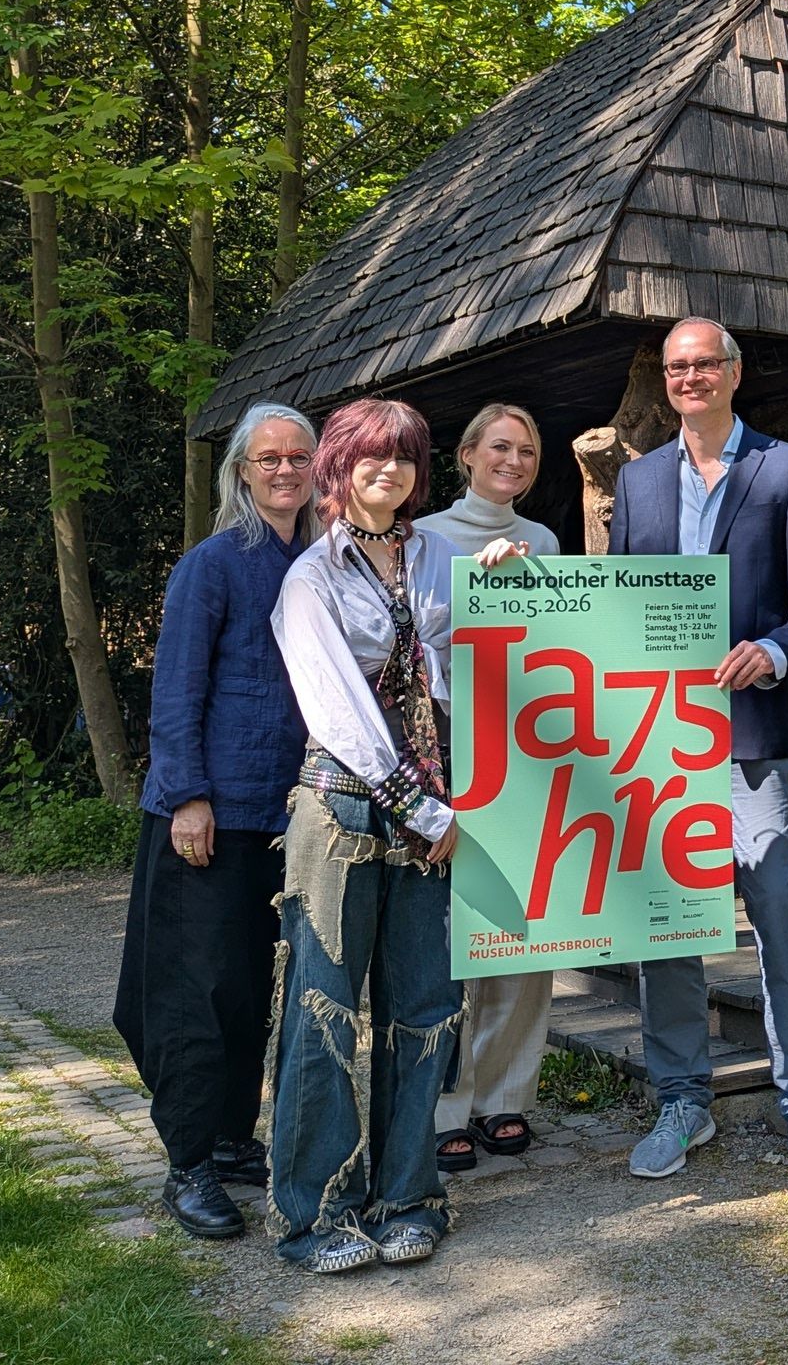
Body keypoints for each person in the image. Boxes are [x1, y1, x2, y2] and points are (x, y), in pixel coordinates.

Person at [609, 317, 788, 1189]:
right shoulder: (635, 483)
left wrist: (777, 651)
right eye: (676, 368)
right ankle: (683, 1098)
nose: (690, 378)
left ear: (734, 373)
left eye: (704, 363)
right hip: (657, 740)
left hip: (749, 735)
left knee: (781, 914)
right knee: (667, 921)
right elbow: (612, 603)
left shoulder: (787, 469)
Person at [268, 397, 464, 1275]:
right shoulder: (310, 577)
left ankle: (410, 1197)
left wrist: (509, 586)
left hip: (440, 813)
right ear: (338, 471)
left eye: (405, 458)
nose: (388, 471)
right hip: (346, 809)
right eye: (370, 458)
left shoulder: (439, 559)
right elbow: (337, 711)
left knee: (423, 1008)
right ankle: (317, 1213)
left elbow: (481, 668)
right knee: (325, 1009)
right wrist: (425, 810)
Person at [115, 402, 318, 1241]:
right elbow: (177, 689)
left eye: (297, 457)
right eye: (267, 458)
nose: (283, 470)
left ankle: (234, 1136)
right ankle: (188, 1163)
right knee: (195, 994)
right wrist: (188, 794)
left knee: (250, 992)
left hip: (288, 811)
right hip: (208, 814)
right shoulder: (213, 564)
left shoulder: (315, 562)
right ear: (242, 471)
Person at [419, 402, 561, 1174]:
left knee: (520, 936)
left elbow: (554, 641)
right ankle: (443, 1105)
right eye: (500, 447)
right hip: (444, 757)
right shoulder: (426, 535)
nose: (514, 460)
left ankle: (505, 1100)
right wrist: (473, 587)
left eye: (528, 451)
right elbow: (415, 643)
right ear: (468, 454)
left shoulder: (542, 541)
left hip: (523, 759)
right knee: (447, 942)